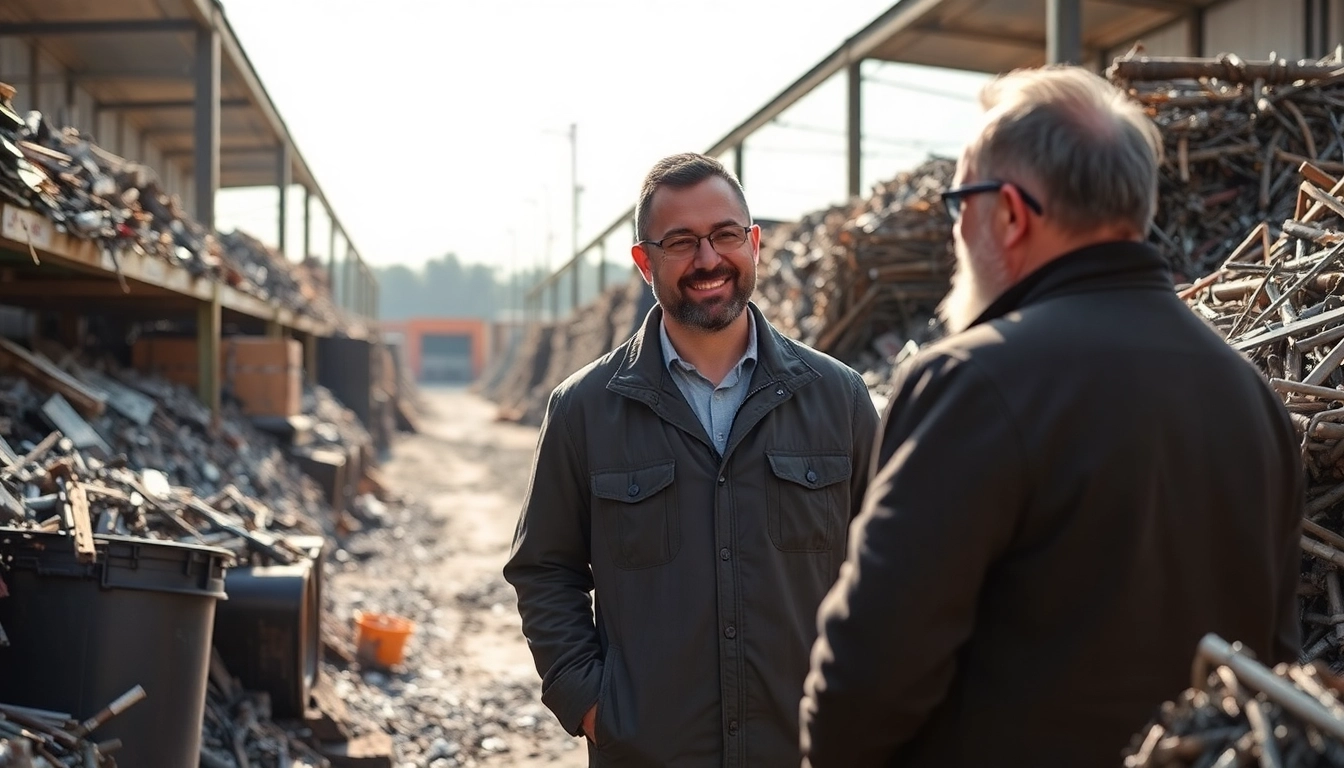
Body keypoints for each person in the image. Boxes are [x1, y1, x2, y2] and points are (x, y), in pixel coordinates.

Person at [799, 65, 1304, 767]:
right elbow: (1274, 671)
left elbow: (868, 676)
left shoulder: (972, 380)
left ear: (1009, 213)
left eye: (960, 203)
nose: (957, 232)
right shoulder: (1251, 398)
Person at [504, 152, 880, 767]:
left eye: (725, 235)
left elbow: (889, 568)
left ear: (755, 244)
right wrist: (592, 704)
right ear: (644, 261)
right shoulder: (584, 410)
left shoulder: (838, 399)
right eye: (681, 242)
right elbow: (545, 570)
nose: (708, 260)